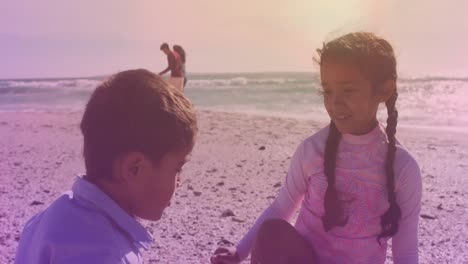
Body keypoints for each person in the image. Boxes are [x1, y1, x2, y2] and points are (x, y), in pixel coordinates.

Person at [211, 32, 422, 264]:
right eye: (327, 91)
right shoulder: (313, 150)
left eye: (348, 90)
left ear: (384, 90)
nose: (334, 102)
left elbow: (405, 252)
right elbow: (282, 207)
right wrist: (240, 252)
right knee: (273, 232)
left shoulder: (402, 168)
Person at [15, 69, 198, 263]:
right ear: (134, 169)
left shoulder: (50, 216)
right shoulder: (105, 253)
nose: (180, 181)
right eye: (177, 168)